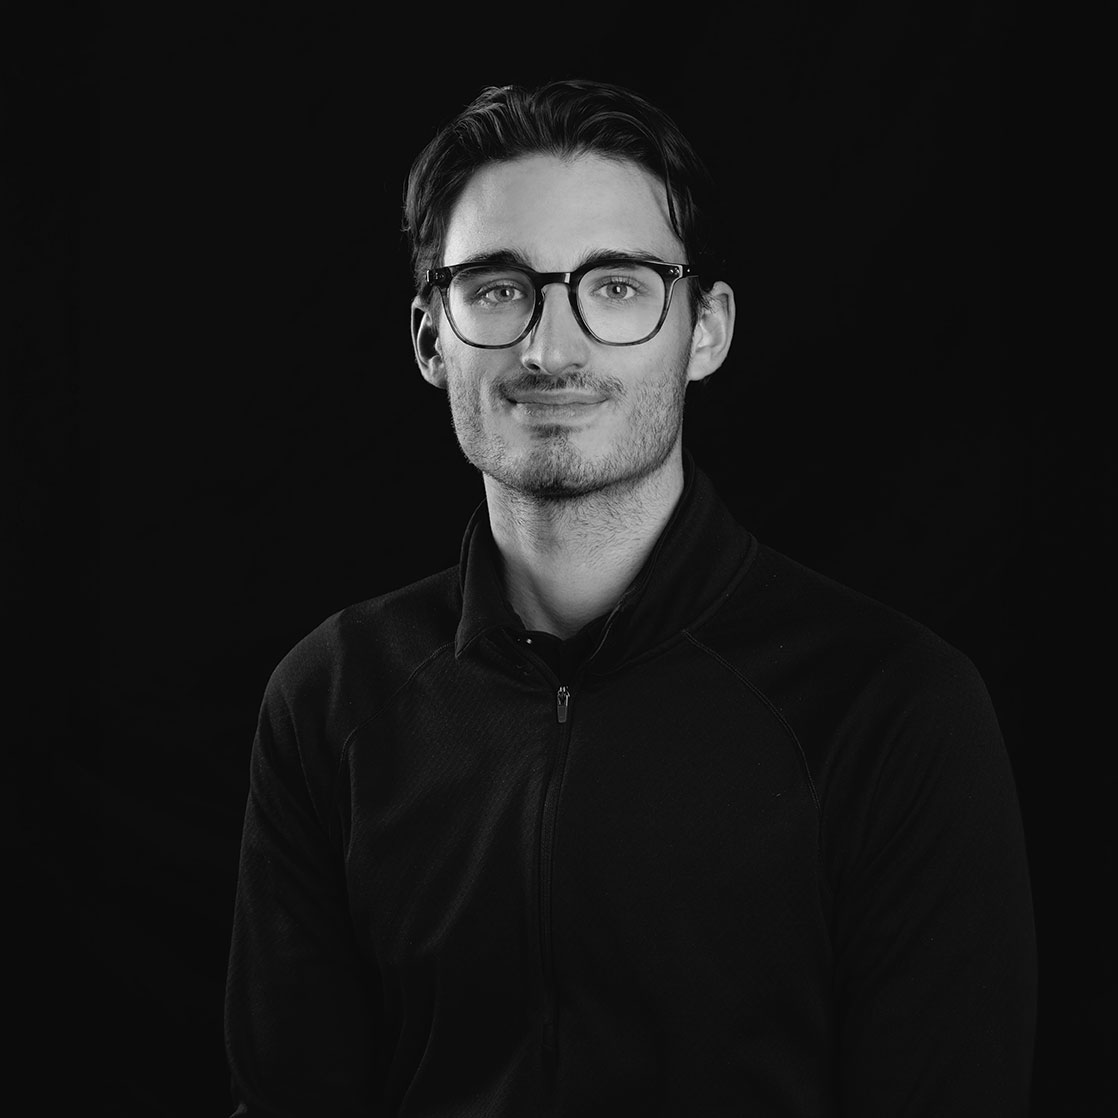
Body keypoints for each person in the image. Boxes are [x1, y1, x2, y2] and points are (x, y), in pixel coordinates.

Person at [224, 79, 1036, 1116]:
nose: (550, 348)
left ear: (705, 330)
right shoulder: (329, 700)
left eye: (614, 286)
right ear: (430, 337)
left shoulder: (893, 707)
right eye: (497, 288)